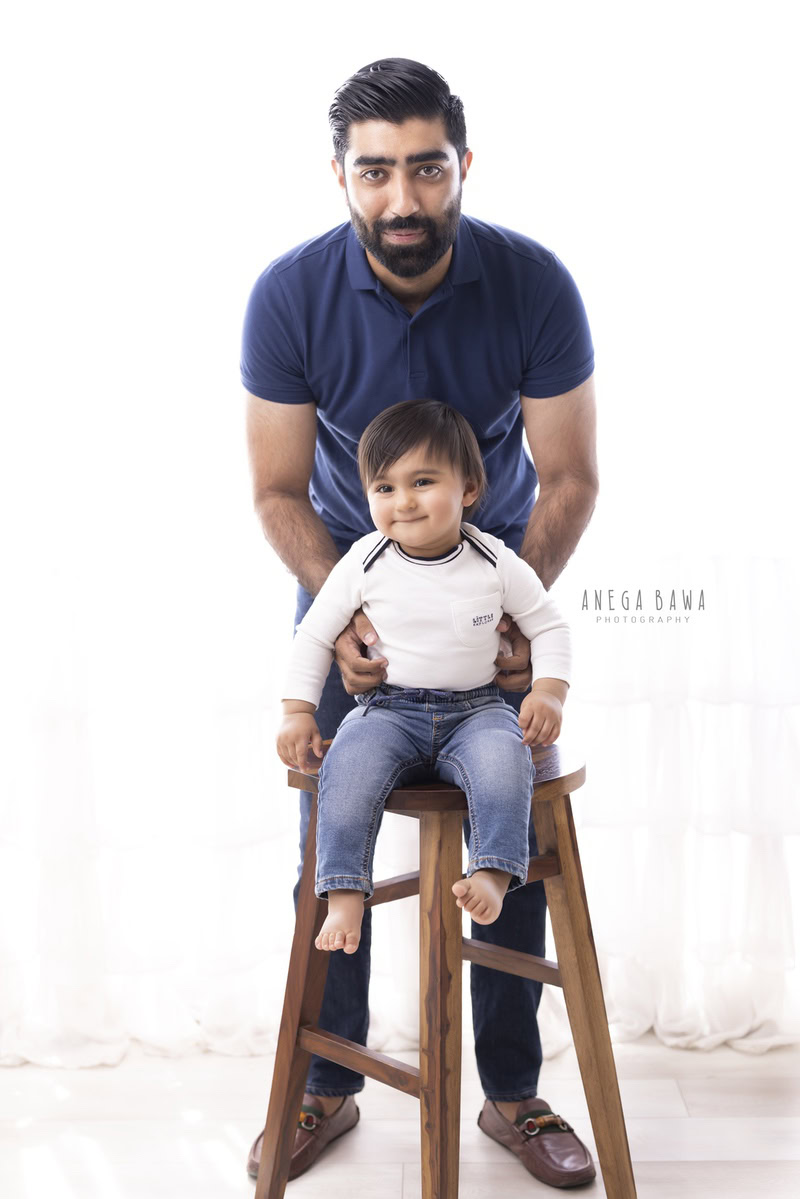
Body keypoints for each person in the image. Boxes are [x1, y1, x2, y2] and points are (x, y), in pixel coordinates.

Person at [243, 57, 598, 1189]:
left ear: (461, 167)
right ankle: (325, 1082)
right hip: (350, 594)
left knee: (514, 826)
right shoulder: (287, 294)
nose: (403, 198)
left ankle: (512, 1090)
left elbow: (571, 475)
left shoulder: (533, 283)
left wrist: (511, 616)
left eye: (426, 168)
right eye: (377, 172)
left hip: (492, 583)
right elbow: (277, 491)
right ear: (341, 176)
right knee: (329, 833)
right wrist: (334, 629)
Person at [277, 399, 572, 953]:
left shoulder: (495, 561)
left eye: (422, 482)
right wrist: (297, 710)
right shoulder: (364, 561)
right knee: (347, 765)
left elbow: (550, 628)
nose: (403, 502)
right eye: (384, 488)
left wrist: (549, 691)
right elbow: (315, 635)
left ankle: (492, 870)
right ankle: (343, 890)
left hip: (478, 711)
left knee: (506, 762)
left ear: (468, 489)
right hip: (388, 711)